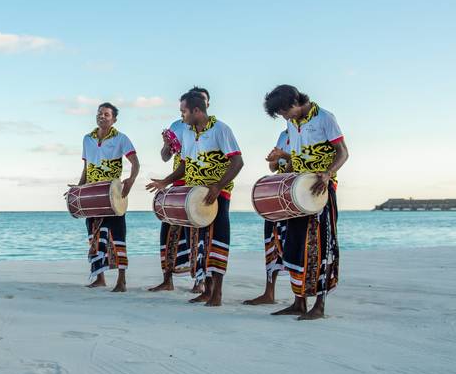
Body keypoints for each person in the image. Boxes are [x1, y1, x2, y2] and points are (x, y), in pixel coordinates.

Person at [146, 91, 242, 307]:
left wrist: (218, 186)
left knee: (216, 241)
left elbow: (237, 162)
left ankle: (216, 294)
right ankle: (206, 291)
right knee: (200, 243)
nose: (182, 116)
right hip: (194, 194)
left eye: (184, 111)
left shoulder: (221, 129)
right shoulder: (188, 132)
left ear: (196, 111)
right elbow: (184, 165)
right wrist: (166, 181)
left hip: (217, 194)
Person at [263, 85, 348, 320]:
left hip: (321, 189)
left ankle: (319, 306)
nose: (284, 117)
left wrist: (328, 173)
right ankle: (298, 302)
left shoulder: (325, 118)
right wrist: (282, 175)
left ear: (294, 102)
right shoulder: (292, 123)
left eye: (283, 112)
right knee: (296, 245)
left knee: (321, 246)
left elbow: (342, 153)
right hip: (298, 190)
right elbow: (299, 156)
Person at [72, 102, 139, 292]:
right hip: (92, 194)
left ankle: (122, 280)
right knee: (94, 236)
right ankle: (99, 277)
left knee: (117, 235)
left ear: (114, 119)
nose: (102, 116)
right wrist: (78, 188)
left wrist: (131, 179)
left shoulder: (121, 138)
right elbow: (86, 169)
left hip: (112, 194)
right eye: (99, 113)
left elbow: (135, 162)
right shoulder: (87, 139)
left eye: (106, 114)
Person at [150, 86, 209, 293]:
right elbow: (166, 156)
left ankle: (199, 280)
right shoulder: (178, 125)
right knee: (169, 230)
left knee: (197, 233)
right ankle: (168, 279)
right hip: (177, 183)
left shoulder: (211, 128)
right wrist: (167, 145)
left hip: (200, 185)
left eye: (203, 100)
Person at [243, 128, 290, 305]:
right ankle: (269, 292)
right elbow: (273, 167)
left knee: (295, 242)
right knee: (272, 239)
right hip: (280, 187)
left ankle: (301, 298)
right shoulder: (283, 134)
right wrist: (274, 160)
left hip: (299, 190)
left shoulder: (310, 128)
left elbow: (308, 160)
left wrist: (284, 155)